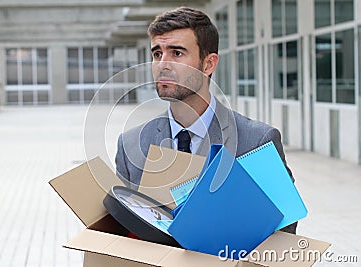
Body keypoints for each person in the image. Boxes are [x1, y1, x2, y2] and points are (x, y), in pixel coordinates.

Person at [115, 6, 297, 234]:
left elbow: (284, 233)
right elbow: (124, 232)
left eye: (177, 53)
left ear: (208, 64)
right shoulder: (131, 145)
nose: (163, 64)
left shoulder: (257, 141)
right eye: (157, 54)